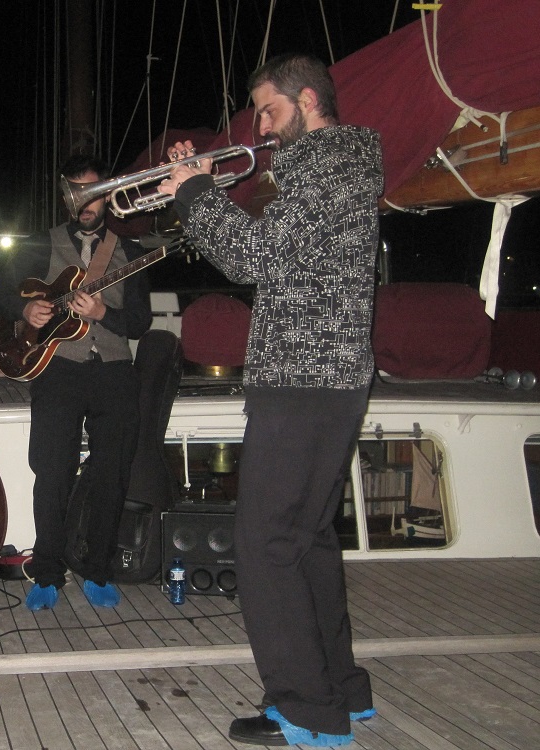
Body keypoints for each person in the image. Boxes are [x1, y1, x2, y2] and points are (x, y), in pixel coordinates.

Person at [159, 54, 383, 746]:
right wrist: (200, 181)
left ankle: (309, 711)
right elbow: (286, 253)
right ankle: (341, 690)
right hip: (333, 375)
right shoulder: (349, 161)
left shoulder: (320, 161)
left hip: (303, 377)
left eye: (268, 110)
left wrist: (194, 194)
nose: (257, 126)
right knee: (308, 538)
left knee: (264, 545)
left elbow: (254, 258)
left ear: (308, 100)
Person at [0, 154, 152, 611]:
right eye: (76, 192)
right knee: (52, 471)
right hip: (58, 367)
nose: (85, 202)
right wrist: (25, 310)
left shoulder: (130, 250)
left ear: (107, 196)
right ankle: (46, 572)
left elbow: (140, 321)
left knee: (111, 473)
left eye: (93, 192)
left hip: (114, 369)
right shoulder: (43, 243)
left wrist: (104, 315)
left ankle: (98, 569)